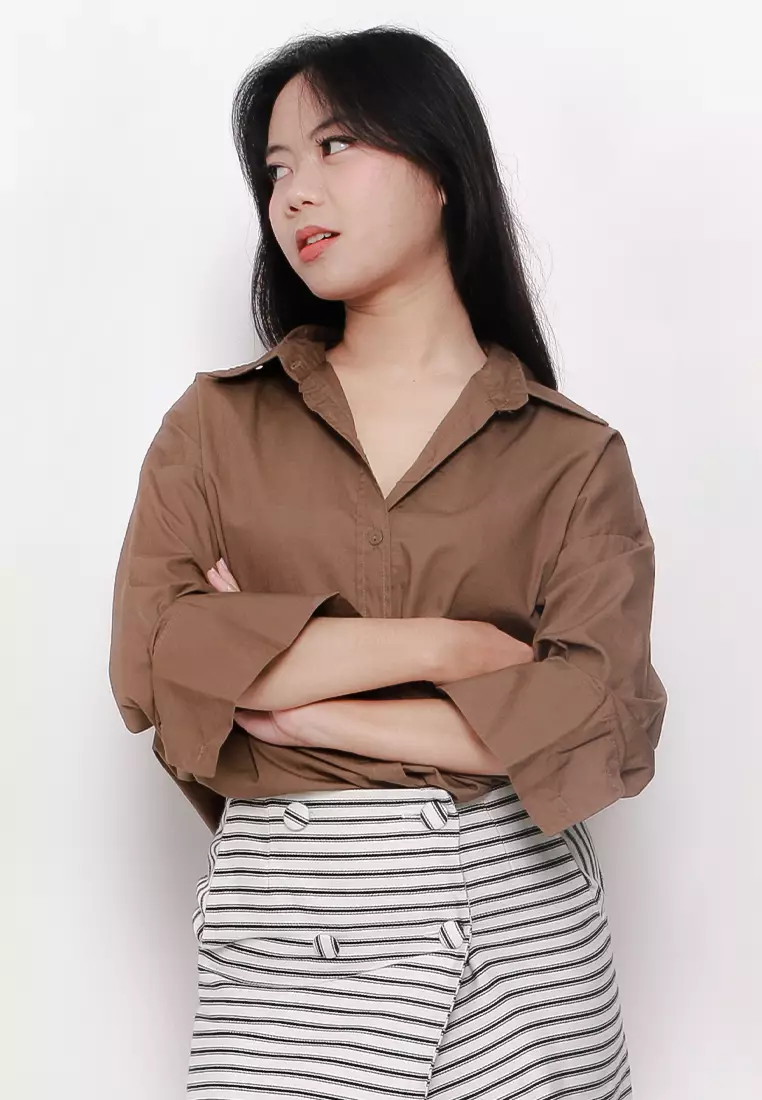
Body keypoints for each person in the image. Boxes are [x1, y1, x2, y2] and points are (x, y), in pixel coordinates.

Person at [108, 24, 667, 1100]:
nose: (295, 194)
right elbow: (160, 660)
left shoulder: (571, 454)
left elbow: (602, 718)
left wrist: (299, 707)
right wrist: (454, 647)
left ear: (442, 167)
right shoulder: (217, 425)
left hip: (523, 942)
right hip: (291, 936)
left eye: (335, 147)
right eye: (276, 169)